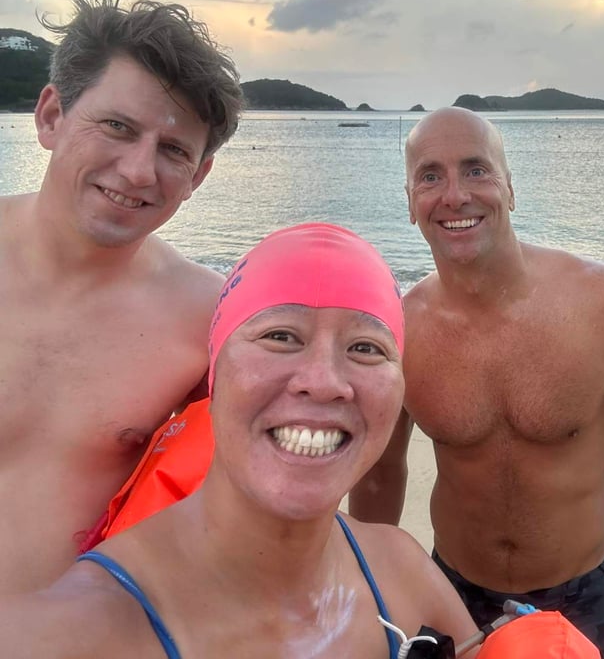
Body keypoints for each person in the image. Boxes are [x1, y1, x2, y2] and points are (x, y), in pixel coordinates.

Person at [0, 223, 481, 658]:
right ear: (215, 373)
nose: (323, 380)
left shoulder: (401, 571)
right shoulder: (70, 631)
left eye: (365, 347)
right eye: (280, 336)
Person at [350, 107, 604, 658]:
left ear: (510, 188)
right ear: (409, 202)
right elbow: (381, 472)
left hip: (580, 594)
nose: (454, 195)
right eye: (430, 176)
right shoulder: (400, 329)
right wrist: (367, 584)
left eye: (476, 170)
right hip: (453, 591)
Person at [0, 0, 244, 597]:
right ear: (52, 115)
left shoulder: (210, 321)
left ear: (200, 175)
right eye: (116, 126)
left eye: (173, 150)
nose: (138, 171)